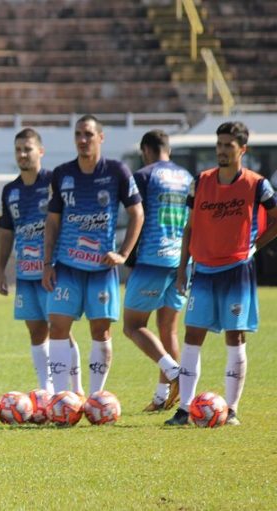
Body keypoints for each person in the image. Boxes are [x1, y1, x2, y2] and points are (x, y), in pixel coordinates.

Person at [165, 121, 277, 426]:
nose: (222, 151)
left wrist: (256, 242)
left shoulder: (257, 184)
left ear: (243, 149)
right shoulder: (200, 182)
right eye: (219, 145)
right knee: (192, 336)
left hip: (237, 270)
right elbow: (189, 228)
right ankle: (185, 409)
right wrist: (181, 270)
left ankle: (232, 409)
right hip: (204, 270)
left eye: (229, 145)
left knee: (235, 336)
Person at [42, 115, 144, 396]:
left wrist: (124, 253)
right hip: (66, 266)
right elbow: (52, 221)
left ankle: (97, 397)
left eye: (88, 134)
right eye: (78, 134)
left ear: (101, 137)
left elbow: (137, 213)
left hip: (101, 269)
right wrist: (47, 262)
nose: (82, 140)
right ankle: (62, 399)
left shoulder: (117, 171)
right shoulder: (62, 174)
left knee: (100, 332)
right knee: (58, 327)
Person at [0, 128, 83, 395]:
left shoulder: (55, 183)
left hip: (53, 269)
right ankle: (46, 391)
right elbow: (7, 232)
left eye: (28, 149)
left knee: (60, 329)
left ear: (40, 151)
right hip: (25, 272)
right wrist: (0, 269)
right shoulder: (10, 191)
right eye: (18, 149)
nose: (22, 154)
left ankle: (76, 390)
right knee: (36, 332)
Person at [122, 130, 192, 412]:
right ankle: (163, 397)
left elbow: (137, 216)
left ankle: (176, 374)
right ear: (168, 150)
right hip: (181, 260)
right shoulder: (187, 177)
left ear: (146, 151)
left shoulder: (144, 175)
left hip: (153, 258)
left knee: (133, 325)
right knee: (169, 330)